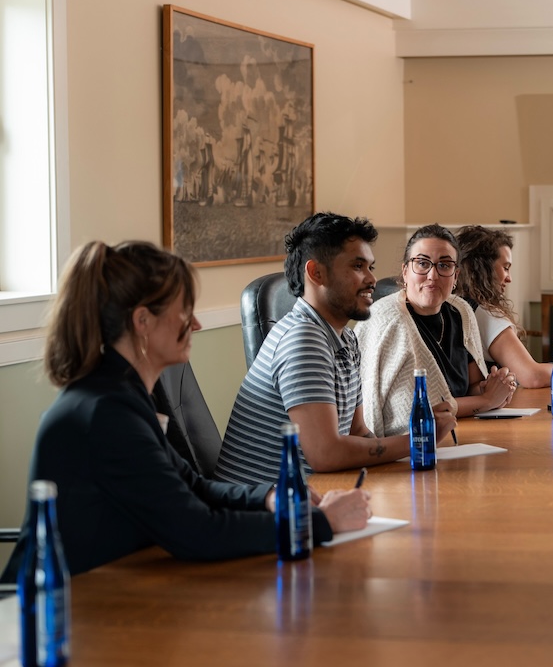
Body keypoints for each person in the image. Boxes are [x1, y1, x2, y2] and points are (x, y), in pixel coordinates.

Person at [0, 241, 370, 578]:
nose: (196, 323)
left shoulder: (121, 395)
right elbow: (198, 532)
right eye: (184, 311)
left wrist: (272, 497)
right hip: (52, 615)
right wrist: (320, 523)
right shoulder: (107, 413)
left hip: (109, 589)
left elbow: (193, 487)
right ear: (142, 321)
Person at [218, 214, 455, 484]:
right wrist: (420, 439)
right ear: (316, 273)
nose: (371, 279)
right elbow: (326, 454)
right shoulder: (303, 339)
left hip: (319, 494)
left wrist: (415, 442)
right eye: (357, 266)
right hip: (267, 512)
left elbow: (358, 431)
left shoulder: (344, 338)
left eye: (370, 267)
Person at [355, 224, 519, 437]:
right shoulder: (389, 321)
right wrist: (486, 400)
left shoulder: (462, 312)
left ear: (455, 276)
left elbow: (473, 385)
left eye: (444, 265)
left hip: (462, 434)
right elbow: (415, 413)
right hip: (408, 447)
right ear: (405, 272)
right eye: (422, 264)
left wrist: (498, 385)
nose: (432, 275)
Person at [454, 226, 553, 389]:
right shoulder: (485, 314)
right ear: (483, 269)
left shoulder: (456, 305)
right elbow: (532, 376)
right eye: (506, 268)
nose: (509, 278)